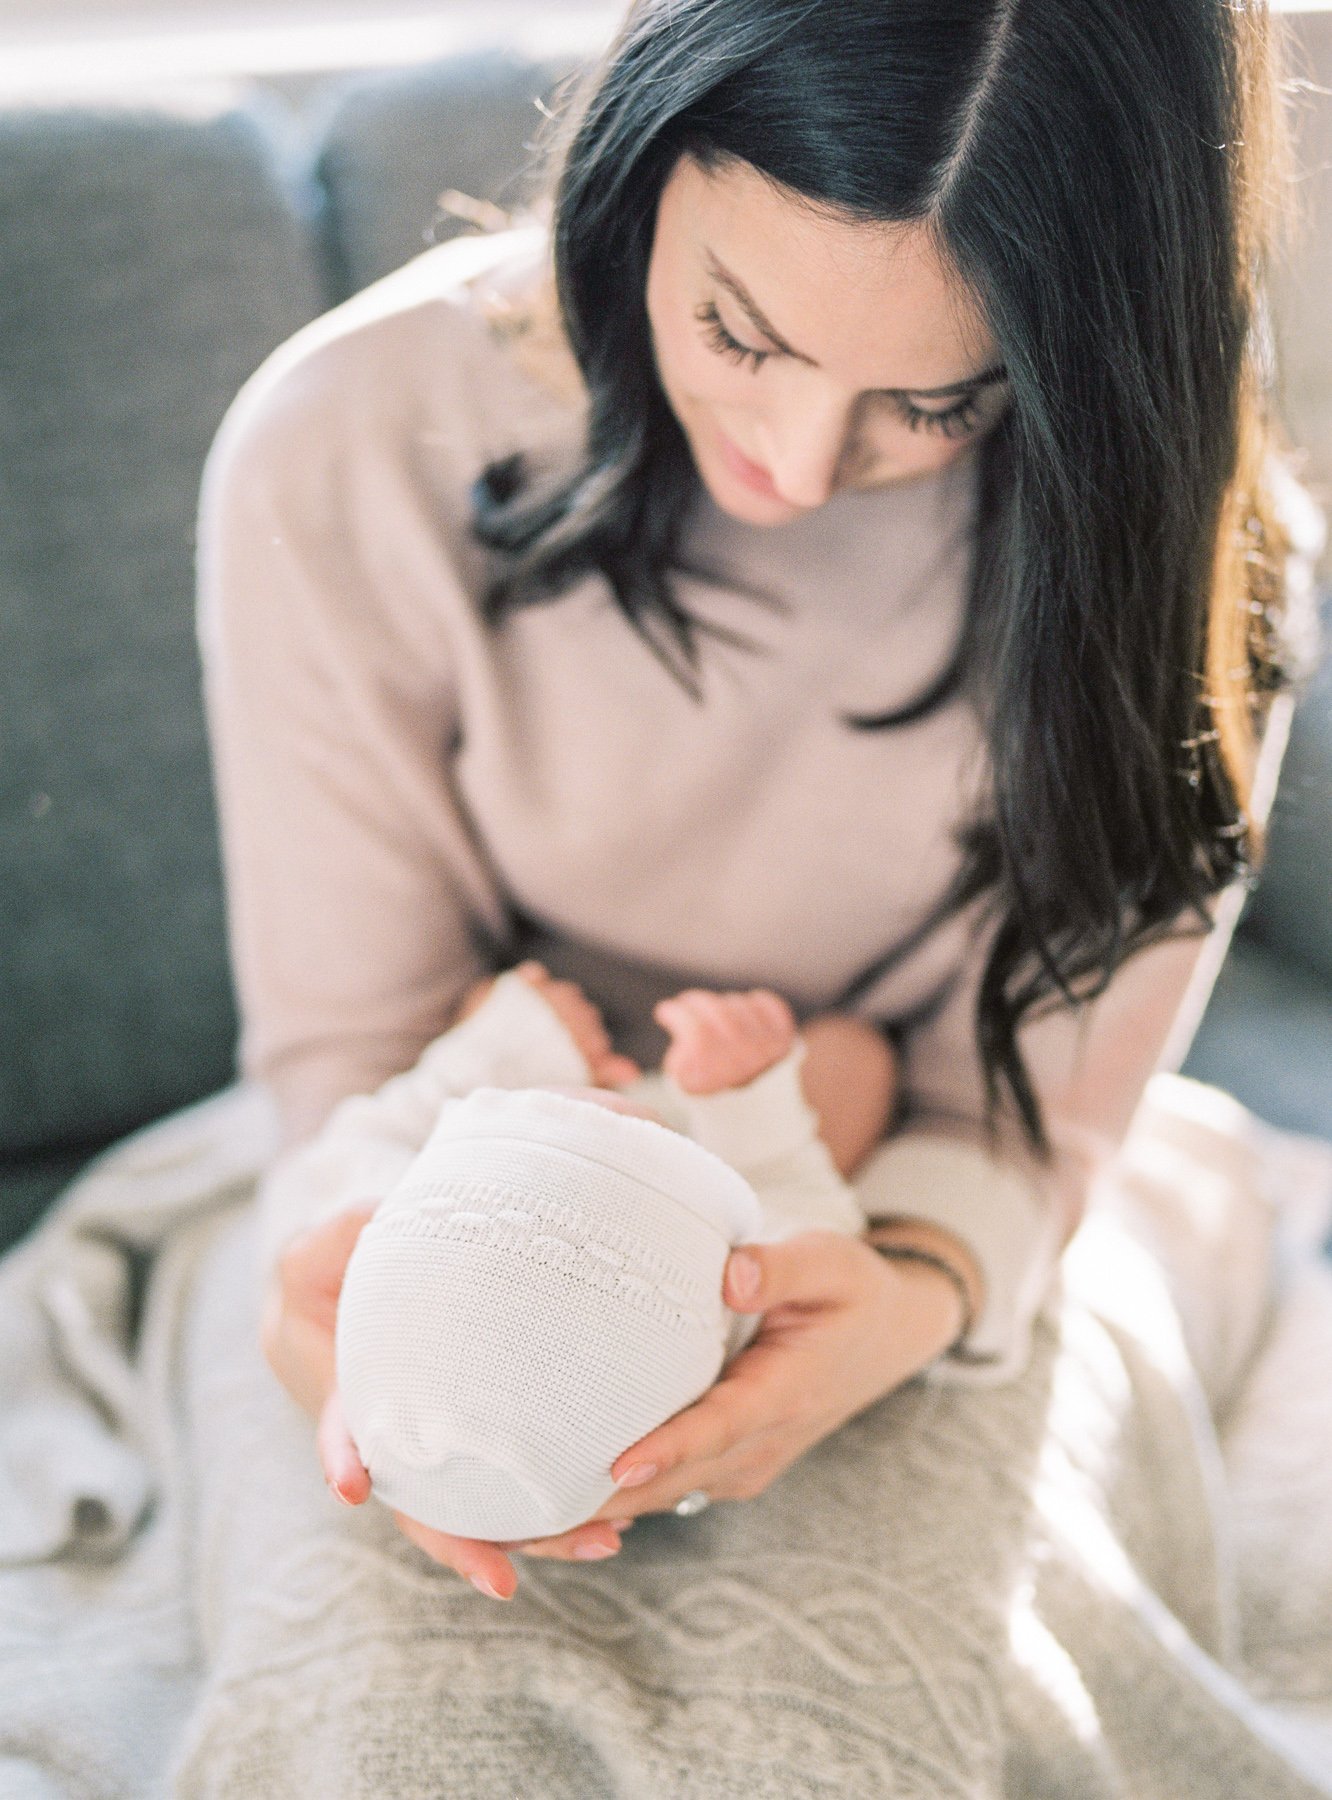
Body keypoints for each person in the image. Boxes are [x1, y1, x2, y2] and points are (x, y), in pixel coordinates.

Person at [198, 0, 1318, 1650]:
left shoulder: (1187, 567)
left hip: (929, 1233)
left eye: (935, 405)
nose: (792, 470)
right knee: (407, 1683)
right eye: (740, 331)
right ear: (638, 164)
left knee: (870, 1667)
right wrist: (352, 1313)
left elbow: (1017, 1132)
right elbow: (349, 1063)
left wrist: (900, 1303)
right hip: (427, 1177)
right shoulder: (344, 447)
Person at [277, 959, 893, 1541]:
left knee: (494, 1003)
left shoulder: (376, 1201)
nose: (595, 1110)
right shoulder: (731, 1291)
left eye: (557, 1114)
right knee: (853, 1059)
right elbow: (813, 1225)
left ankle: (514, 1056)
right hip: (726, 1161)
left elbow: (356, 1143)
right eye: (594, 1118)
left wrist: (497, 1052)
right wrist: (752, 1102)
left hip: (489, 1110)